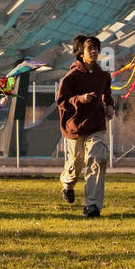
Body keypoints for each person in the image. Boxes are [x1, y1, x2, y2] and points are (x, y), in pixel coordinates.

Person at [56, 34, 114, 218]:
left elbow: (107, 93)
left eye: (97, 48)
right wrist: (81, 99)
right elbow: (62, 101)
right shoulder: (71, 77)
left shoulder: (103, 75)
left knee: (97, 159)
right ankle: (67, 184)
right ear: (81, 52)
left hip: (96, 125)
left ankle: (92, 205)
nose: (94, 51)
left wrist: (110, 106)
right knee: (75, 165)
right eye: (90, 48)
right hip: (75, 127)